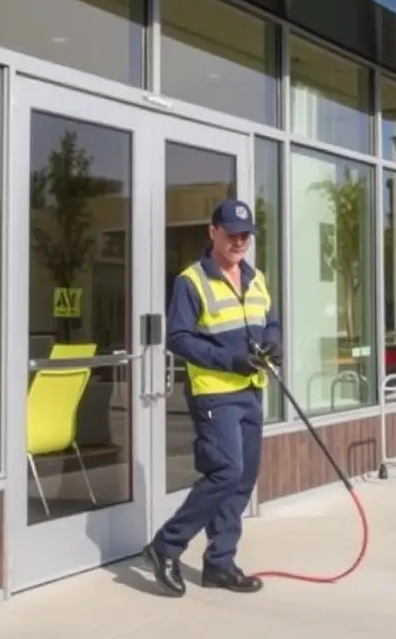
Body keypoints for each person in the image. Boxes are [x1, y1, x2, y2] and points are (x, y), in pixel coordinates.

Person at [143, 199, 281, 597]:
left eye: (246, 235)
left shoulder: (256, 278)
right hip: (214, 394)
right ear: (212, 231)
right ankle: (165, 546)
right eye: (233, 233)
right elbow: (179, 338)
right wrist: (228, 359)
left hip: (252, 390)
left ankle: (220, 563)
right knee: (225, 471)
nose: (240, 241)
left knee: (243, 479)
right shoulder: (191, 281)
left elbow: (270, 320)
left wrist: (274, 343)